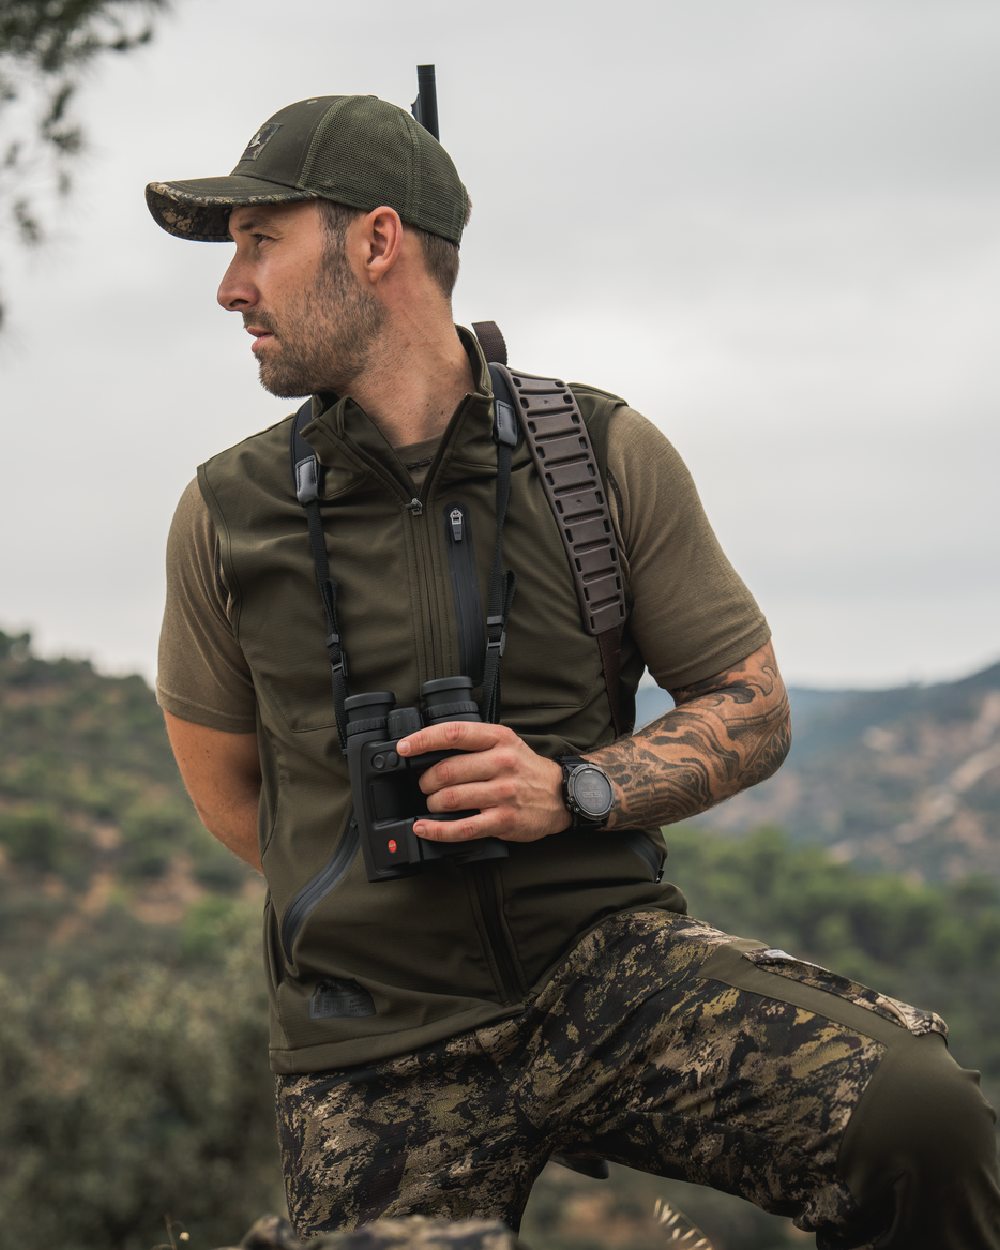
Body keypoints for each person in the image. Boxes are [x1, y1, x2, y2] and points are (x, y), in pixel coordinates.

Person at [147, 93, 1000, 1249]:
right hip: (371, 1036)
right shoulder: (224, 510)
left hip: (606, 968)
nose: (230, 286)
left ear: (376, 241)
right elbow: (231, 792)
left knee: (923, 1116)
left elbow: (749, 709)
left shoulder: (597, 454)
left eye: (260, 242)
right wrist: (369, 899)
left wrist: (573, 790)